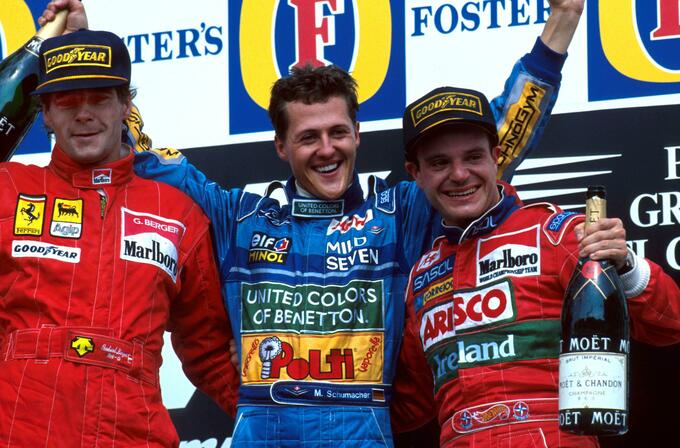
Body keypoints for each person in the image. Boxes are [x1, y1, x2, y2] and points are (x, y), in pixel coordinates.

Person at [36, 1, 584, 446]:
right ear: (281, 146)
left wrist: (559, 26)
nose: (327, 149)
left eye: (338, 132)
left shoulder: (399, 212)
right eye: (308, 137)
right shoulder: (237, 217)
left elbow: (501, 136)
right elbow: (141, 152)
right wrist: (84, 47)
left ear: (357, 135)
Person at [393, 86, 680, 447]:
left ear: (495, 157)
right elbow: (411, 403)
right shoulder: (421, 276)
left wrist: (626, 264)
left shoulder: (555, 235)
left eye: (473, 157)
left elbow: (669, 325)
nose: (460, 174)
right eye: (439, 163)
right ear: (415, 173)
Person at [0, 28, 238, 447]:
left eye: (99, 99)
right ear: (45, 113)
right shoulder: (8, 189)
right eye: (66, 101)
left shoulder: (177, 213)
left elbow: (211, 354)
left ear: (126, 105)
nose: (84, 114)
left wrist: (286, 424)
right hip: (20, 429)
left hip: (132, 433)